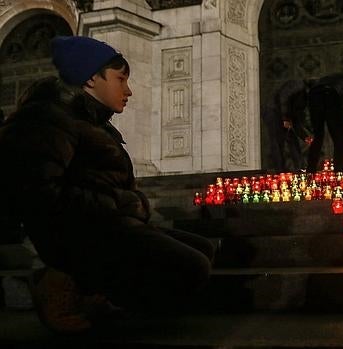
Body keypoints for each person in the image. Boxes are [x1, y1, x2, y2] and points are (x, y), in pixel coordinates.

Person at [0, 36, 215, 333]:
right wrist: (119, 203)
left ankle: (99, 295)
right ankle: (64, 283)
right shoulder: (47, 118)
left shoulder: (92, 121)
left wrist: (124, 204)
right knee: (191, 266)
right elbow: (36, 194)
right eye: (120, 79)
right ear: (90, 77)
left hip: (105, 224)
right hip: (76, 234)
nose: (128, 91)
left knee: (203, 248)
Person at [261, 79, 313, 172]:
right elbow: (283, 98)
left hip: (285, 114)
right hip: (273, 111)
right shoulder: (298, 86)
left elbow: (297, 119)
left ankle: (300, 168)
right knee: (277, 142)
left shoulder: (304, 99)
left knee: (292, 139)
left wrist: (305, 137)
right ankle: (280, 170)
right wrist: (285, 118)